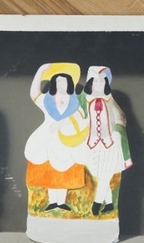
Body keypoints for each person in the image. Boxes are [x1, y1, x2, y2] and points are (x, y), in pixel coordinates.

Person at [25, 62, 88, 211]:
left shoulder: (75, 100)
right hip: (48, 136)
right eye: (58, 81)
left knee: (65, 169)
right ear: (54, 83)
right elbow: (34, 94)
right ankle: (53, 201)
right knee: (50, 170)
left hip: (68, 138)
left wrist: (61, 124)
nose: (61, 84)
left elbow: (80, 115)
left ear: (69, 83)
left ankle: (62, 201)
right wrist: (40, 72)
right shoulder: (47, 99)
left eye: (64, 81)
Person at [82, 66, 132, 216]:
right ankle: (109, 204)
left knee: (105, 175)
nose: (98, 84)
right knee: (99, 174)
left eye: (102, 81)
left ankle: (96, 204)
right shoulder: (85, 100)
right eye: (95, 81)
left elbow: (121, 118)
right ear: (90, 82)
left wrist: (116, 132)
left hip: (109, 144)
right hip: (92, 144)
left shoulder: (110, 101)